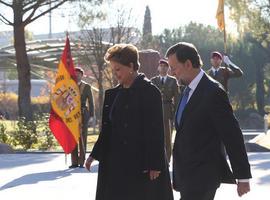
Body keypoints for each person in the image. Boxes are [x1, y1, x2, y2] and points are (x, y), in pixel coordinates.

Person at [85, 44, 173, 200]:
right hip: (115, 164)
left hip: (140, 165)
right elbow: (108, 128)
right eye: (113, 70)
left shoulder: (150, 92)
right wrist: (94, 154)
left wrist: (155, 164)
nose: (114, 74)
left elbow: (156, 130)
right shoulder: (113, 94)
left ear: (131, 66)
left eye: (118, 69)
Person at [166, 42, 251, 200]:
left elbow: (232, 135)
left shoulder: (213, 92)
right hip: (187, 175)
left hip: (203, 176)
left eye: (174, 67)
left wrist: (243, 176)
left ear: (188, 64)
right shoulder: (187, 91)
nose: (171, 72)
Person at [151, 58, 180, 163]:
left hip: (168, 111)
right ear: (158, 68)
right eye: (161, 66)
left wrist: (177, 114)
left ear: (168, 68)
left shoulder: (173, 81)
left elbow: (177, 98)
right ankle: (157, 159)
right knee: (156, 136)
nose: (163, 68)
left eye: (165, 66)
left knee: (167, 138)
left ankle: (167, 161)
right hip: (156, 112)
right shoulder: (153, 81)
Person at [69, 67, 94, 168]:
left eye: (79, 74)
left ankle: (81, 162)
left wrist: (92, 115)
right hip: (72, 114)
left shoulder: (86, 86)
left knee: (83, 136)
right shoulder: (69, 86)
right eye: (75, 74)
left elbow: (91, 102)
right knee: (73, 137)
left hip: (83, 113)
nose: (77, 75)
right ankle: (74, 162)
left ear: (82, 75)